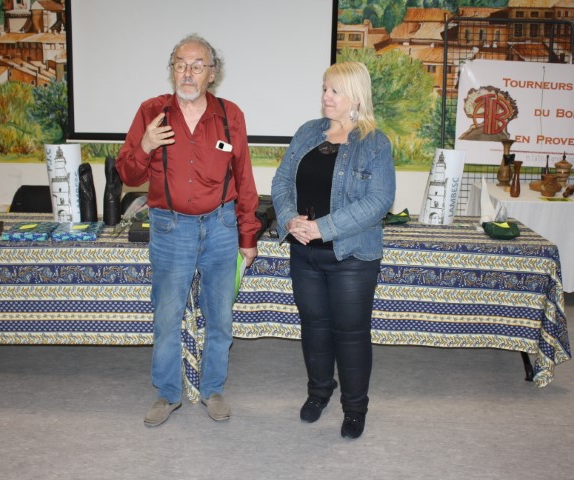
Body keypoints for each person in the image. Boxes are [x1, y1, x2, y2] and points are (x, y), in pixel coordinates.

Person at [116, 34, 260, 427]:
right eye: (180, 64)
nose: (187, 72)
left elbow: (244, 178)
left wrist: (248, 235)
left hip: (221, 227)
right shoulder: (151, 112)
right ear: (172, 70)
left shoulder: (230, 116)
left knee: (220, 317)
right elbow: (127, 173)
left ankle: (213, 390)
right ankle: (167, 394)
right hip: (170, 228)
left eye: (197, 65)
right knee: (167, 317)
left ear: (212, 73)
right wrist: (145, 145)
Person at [271, 61, 395, 439]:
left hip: (352, 257)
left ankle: (355, 408)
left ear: (356, 96)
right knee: (314, 328)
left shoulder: (374, 142)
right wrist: (288, 219)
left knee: (350, 333)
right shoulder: (307, 132)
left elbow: (379, 201)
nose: (326, 96)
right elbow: (282, 181)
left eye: (335, 90)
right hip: (304, 253)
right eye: (325, 88)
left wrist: (323, 228)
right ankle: (319, 392)